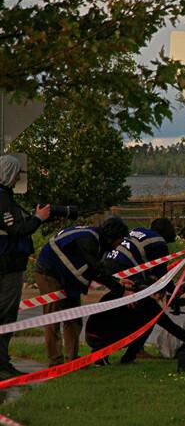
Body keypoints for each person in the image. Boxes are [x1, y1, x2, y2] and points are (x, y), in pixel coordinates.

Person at [86, 218, 185, 364]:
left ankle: (106, 354)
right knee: (149, 317)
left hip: (109, 270)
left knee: (127, 310)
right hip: (126, 276)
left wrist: (169, 287)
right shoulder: (159, 242)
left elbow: (156, 276)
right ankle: (125, 355)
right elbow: (162, 276)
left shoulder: (138, 232)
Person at [34, 217, 129, 367]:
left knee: (74, 318)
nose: (120, 244)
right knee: (53, 317)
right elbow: (97, 270)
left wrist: (118, 282)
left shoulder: (97, 241)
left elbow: (100, 270)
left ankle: (72, 360)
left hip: (67, 277)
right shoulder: (88, 240)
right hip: (48, 272)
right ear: (113, 236)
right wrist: (120, 290)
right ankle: (55, 362)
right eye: (121, 240)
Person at [0, 156, 50, 380]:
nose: (19, 177)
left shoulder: (7, 198)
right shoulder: (3, 199)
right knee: (6, 314)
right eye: (17, 172)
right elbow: (17, 230)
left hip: (9, 263)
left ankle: (3, 361)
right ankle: (2, 364)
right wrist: (38, 219)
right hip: (7, 265)